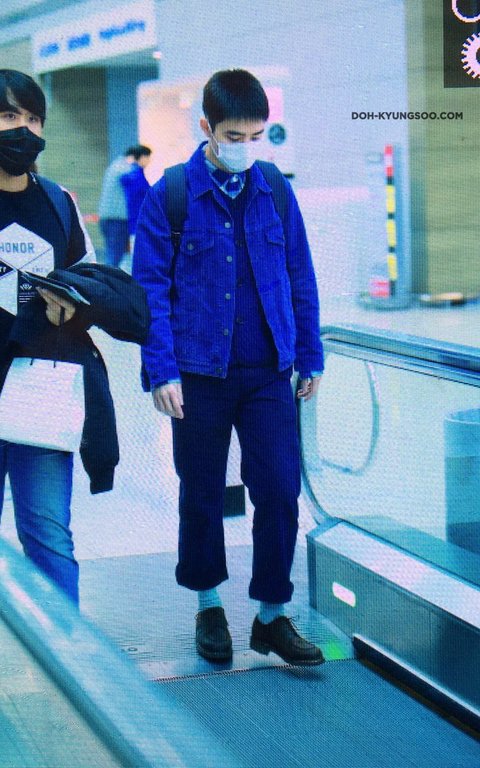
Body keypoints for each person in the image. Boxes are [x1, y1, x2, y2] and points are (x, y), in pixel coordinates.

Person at [133, 69, 325, 665]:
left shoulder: (274, 189)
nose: (246, 147)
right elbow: (149, 290)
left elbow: (300, 274)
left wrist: (310, 354)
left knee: (280, 492)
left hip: (268, 370)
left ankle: (271, 615)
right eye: (234, 136)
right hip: (198, 374)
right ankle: (208, 604)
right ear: (207, 128)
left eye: (256, 136)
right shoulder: (172, 193)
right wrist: (161, 371)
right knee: (202, 493)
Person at [0, 70, 149, 607]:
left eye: (33, 118)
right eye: (8, 116)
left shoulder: (57, 202)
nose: (24, 129)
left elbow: (88, 277)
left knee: (48, 534)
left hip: (39, 391)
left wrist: (74, 301)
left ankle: (69, 652)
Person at [98, 144, 150, 267]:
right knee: (114, 258)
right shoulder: (126, 169)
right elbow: (141, 188)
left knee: (114, 255)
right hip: (117, 220)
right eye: (147, 158)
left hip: (108, 218)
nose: (148, 163)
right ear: (141, 157)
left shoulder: (116, 165)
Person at [120, 145, 152, 244]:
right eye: (147, 157)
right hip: (138, 221)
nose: (149, 161)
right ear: (142, 157)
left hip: (134, 221)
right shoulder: (137, 176)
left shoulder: (131, 175)